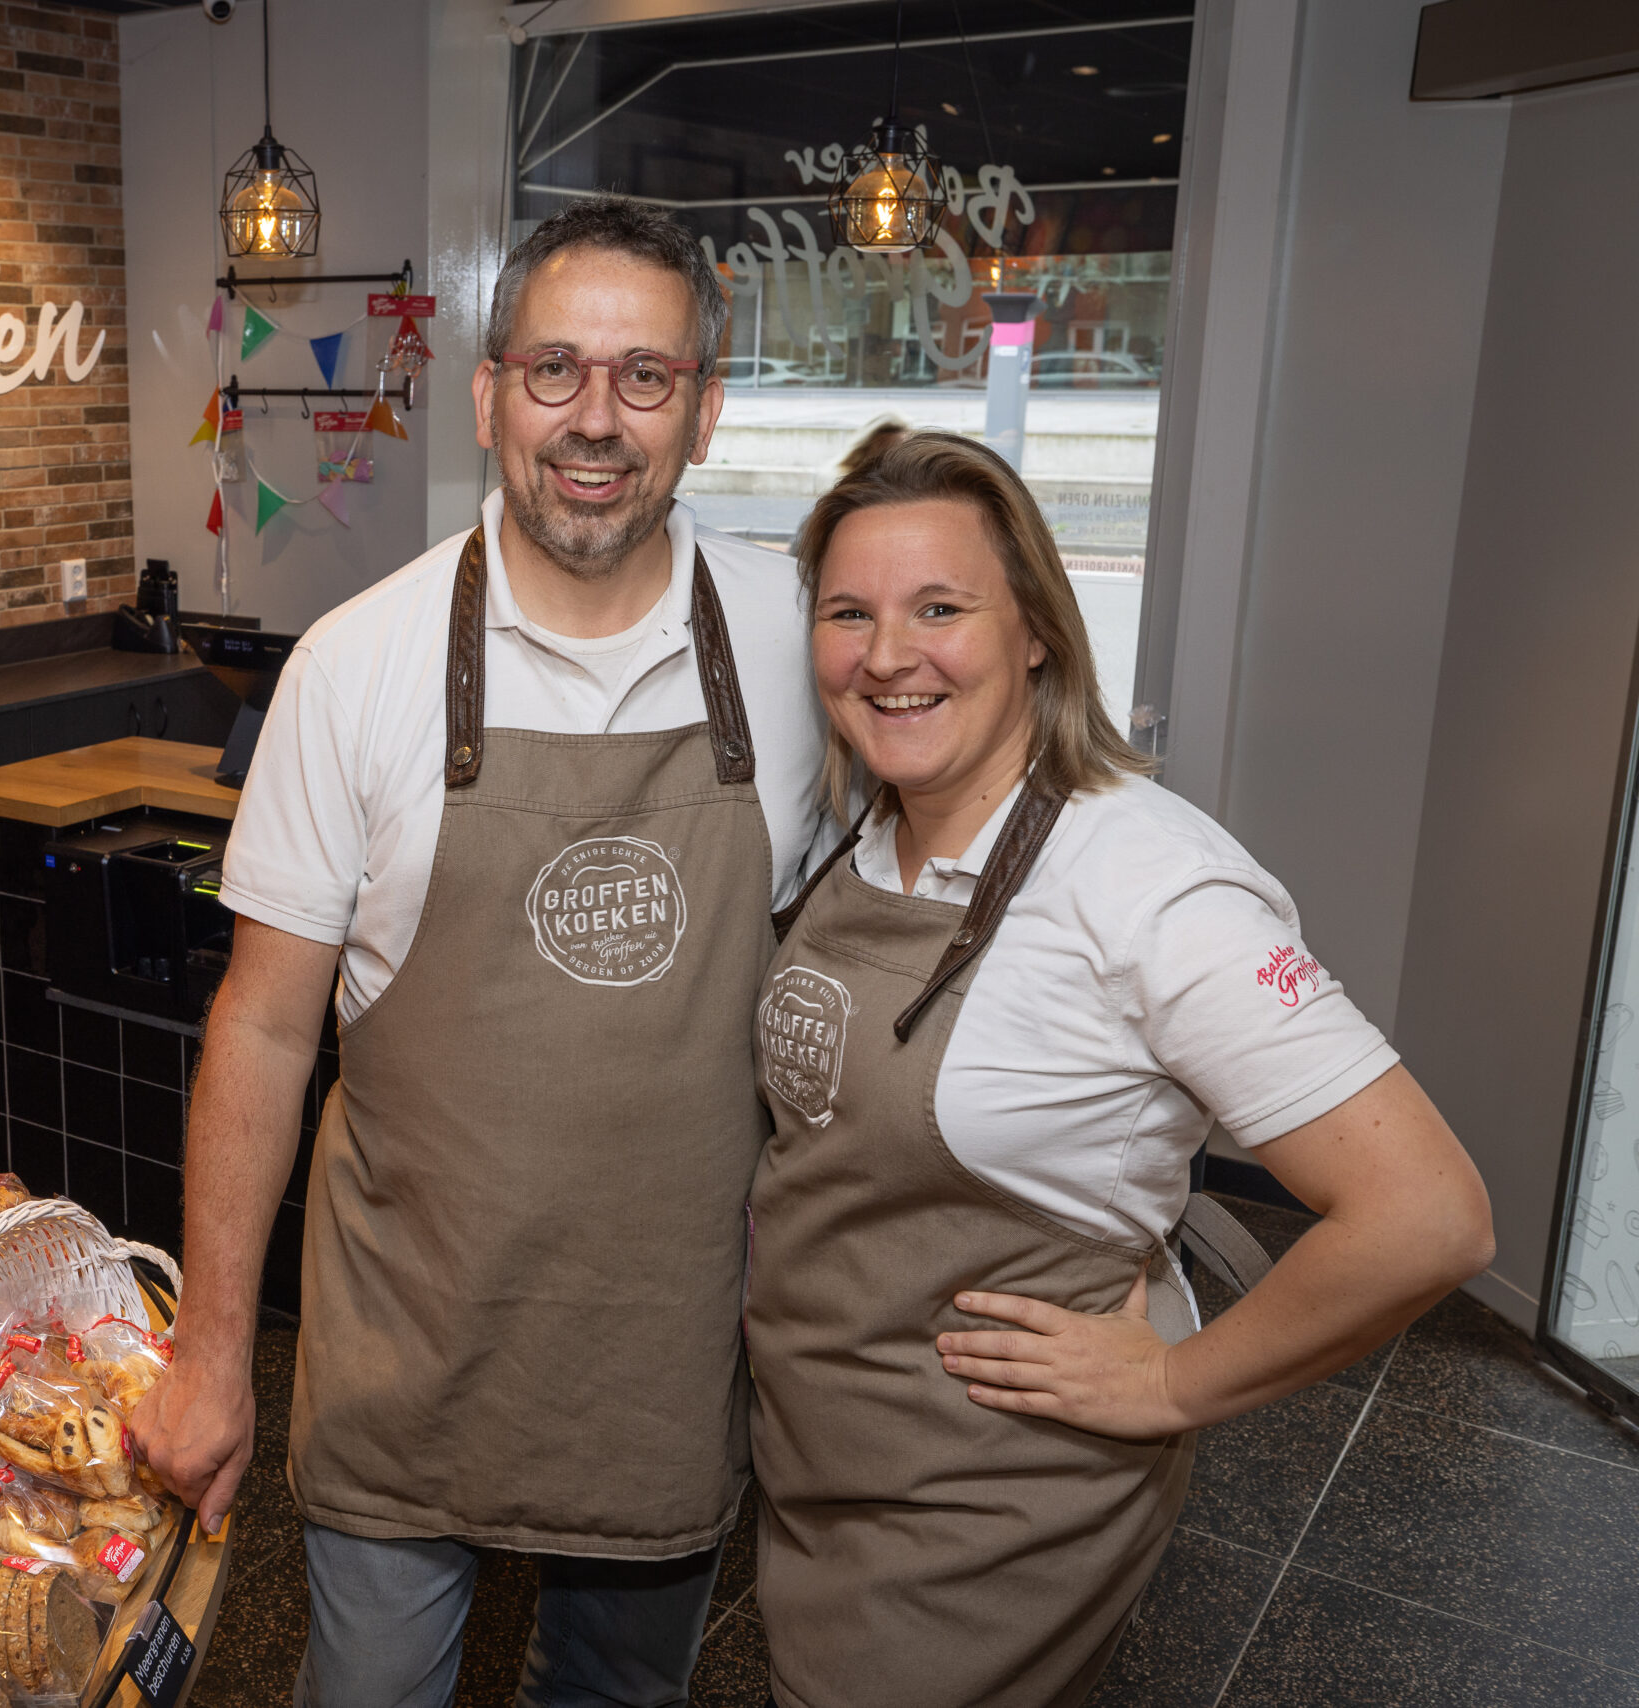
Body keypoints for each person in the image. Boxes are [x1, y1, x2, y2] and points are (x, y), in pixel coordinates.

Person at [128, 197, 829, 1705]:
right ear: (490, 393)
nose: (596, 420)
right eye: (557, 370)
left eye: (645, 379)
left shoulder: (796, 645)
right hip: (408, 1353)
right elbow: (260, 1032)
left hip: (666, 1359)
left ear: (704, 413)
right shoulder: (359, 663)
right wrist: (208, 1352)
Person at [747, 430, 1495, 1708]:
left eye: (941, 607)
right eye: (847, 612)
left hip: (993, 1505)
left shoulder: (1146, 881)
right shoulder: (864, 832)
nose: (886, 655)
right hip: (821, 1460)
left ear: (1036, 629)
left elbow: (1428, 1215)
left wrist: (1171, 1380)